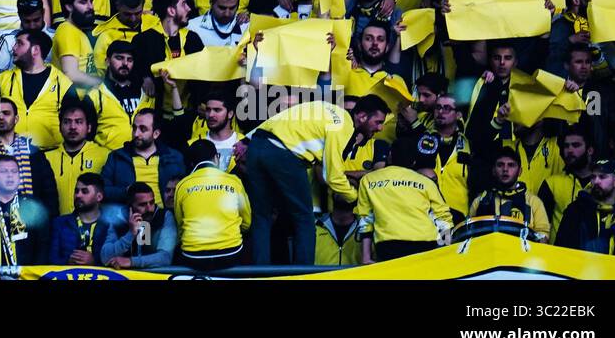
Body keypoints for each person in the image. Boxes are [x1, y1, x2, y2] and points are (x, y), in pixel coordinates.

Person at [244, 97, 377, 265]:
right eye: (378, 122)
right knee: (304, 219)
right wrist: (356, 199)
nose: (380, 128)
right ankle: (304, 273)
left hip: (257, 145)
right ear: (363, 117)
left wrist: (246, 139)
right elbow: (333, 176)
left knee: (261, 216)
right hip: (283, 153)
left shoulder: (322, 106)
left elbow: (283, 116)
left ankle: (259, 272)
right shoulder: (343, 126)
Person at [355, 135, 453, 264]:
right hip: (425, 244)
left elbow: (365, 220)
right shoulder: (426, 182)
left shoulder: (368, 180)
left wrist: (366, 258)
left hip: (387, 246)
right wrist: (444, 250)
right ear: (414, 161)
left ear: (390, 155)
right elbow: (444, 218)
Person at [172, 141, 252, 271]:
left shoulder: (182, 185)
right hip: (230, 253)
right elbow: (247, 223)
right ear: (216, 158)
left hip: (193, 255)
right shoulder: (234, 181)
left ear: (191, 163)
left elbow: (180, 226)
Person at [0, 155, 51, 265]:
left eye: (14, 171)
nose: (10, 176)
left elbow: (43, 247)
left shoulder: (32, 207)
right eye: (3, 171)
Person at [554, 160, 615, 256]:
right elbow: (561, 249)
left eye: (602, 177)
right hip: (584, 269)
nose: (596, 181)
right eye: (593, 177)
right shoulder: (576, 210)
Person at [99, 109, 186, 208]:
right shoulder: (117, 157)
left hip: (163, 215)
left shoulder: (173, 157)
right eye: (134, 128)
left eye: (143, 129)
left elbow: (185, 190)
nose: (136, 134)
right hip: (128, 214)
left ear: (156, 134)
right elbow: (102, 190)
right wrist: (126, 192)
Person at [41, 98, 114, 216]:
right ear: (59, 127)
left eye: (79, 122)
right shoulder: (45, 158)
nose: (72, 127)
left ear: (89, 127)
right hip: (57, 227)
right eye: (67, 122)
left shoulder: (105, 156)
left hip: (94, 227)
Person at [467, 148, 551, 242]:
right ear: (493, 171)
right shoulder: (480, 201)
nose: (505, 169)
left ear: (520, 171)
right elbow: (469, 234)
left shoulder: (534, 202)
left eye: (511, 165)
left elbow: (543, 235)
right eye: (500, 165)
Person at [100, 182, 178, 270]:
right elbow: (105, 257)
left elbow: (165, 257)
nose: (149, 209)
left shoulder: (164, 216)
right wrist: (131, 234)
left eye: (152, 202)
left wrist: (131, 261)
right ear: (130, 206)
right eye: (143, 204)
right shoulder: (119, 218)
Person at [48, 172, 108, 265]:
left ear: (99, 197)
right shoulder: (59, 223)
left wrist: (94, 262)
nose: (78, 195)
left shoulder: (110, 225)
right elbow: (50, 260)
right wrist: (67, 262)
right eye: (76, 191)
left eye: (85, 191)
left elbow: (116, 262)